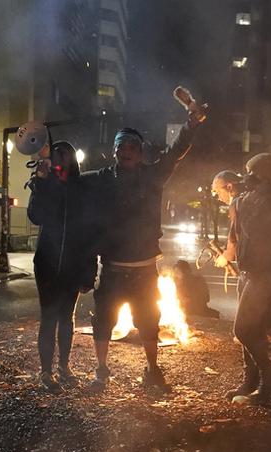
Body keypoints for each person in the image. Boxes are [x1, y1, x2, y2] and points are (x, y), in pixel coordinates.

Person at [84, 104, 204, 391]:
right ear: (115, 151)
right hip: (112, 268)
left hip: (144, 269)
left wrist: (191, 125)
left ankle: (153, 369)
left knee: (149, 322)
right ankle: (101, 370)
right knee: (103, 321)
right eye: (122, 147)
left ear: (140, 152)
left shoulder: (153, 176)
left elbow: (176, 152)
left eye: (132, 147)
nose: (127, 151)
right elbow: (73, 182)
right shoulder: (101, 179)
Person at [218, 153, 271, 404]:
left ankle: (270, 380)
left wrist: (240, 196)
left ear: (263, 174)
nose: (247, 176)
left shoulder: (270, 198)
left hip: (263, 274)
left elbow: (254, 220)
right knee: (252, 328)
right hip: (248, 270)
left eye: (251, 172)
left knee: (242, 328)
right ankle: (250, 380)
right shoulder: (251, 197)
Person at [26, 141, 99, 389]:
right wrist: (41, 184)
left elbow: (90, 232)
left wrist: (89, 270)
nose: (61, 157)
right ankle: (46, 372)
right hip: (47, 262)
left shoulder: (82, 188)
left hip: (73, 264)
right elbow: (35, 215)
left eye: (65, 153)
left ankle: (64, 366)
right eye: (57, 153)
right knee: (49, 317)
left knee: (67, 318)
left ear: (73, 159)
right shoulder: (46, 183)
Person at [210, 168, 271, 339]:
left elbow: (234, 239)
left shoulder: (239, 202)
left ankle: (249, 336)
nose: (217, 196)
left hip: (256, 263)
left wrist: (225, 258)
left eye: (217, 191)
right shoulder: (258, 197)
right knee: (264, 295)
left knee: (248, 297)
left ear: (229, 187)